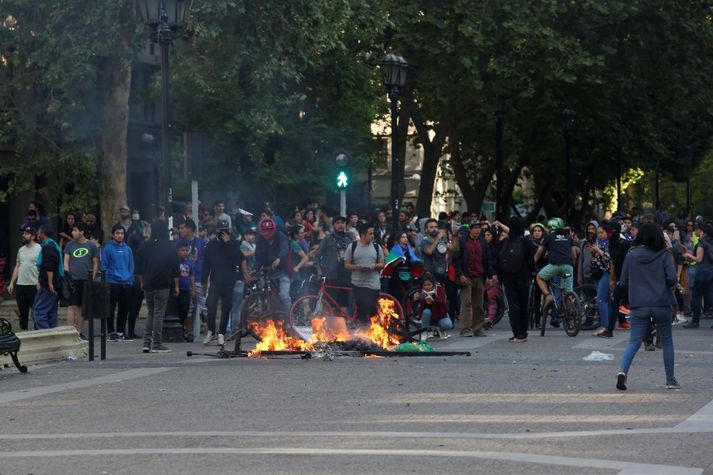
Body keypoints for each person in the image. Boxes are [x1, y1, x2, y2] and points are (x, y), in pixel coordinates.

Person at [617, 223, 679, 390]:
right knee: (666, 341)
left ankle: (622, 372)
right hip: (661, 302)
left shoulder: (631, 254)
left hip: (638, 304)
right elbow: (672, 278)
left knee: (634, 341)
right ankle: (671, 380)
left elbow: (623, 282)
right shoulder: (664, 254)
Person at [201, 220, 248, 345]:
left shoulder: (233, 244)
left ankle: (221, 333)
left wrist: (228, 244)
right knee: (210, 306)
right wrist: (204, 282)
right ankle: (211, 331)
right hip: (215, 281)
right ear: (217, 230)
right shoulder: (210, 245)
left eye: (226, 230)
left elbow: (239, 257)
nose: (224, 233)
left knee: (226, 308)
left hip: (229, 282)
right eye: (222, 231)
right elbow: (206, 265)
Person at [137, 220, 180, 353]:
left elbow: (139, 267)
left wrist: (142, 282)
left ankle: (146, 342)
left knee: (151, 312)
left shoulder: (144, 246)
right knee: (159, 314)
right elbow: (175, 268)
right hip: (163, 283)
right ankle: (157, 343)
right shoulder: (169, 246)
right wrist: (176, 285)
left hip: (148, 283)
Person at [495, 217, 534, 342]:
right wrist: (531, 272)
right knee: (523, 304)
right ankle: (523, 331)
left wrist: (500, 279)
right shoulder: (525, 242)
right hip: (523, 278)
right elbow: (531, 261)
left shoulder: (503, 243)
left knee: (512, 306)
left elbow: (498, 262)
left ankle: (517, 333)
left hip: (508, 279)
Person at [454, 220, 494, 337]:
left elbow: (487, 259)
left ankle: (477, 328)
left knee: (479, 304)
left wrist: (490, 276)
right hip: (466, 277)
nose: (477, 230)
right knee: (466, 302)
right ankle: (465, 329)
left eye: (479, 228)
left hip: (479, 276)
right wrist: (460, 274)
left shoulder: (482, 242)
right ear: (470, 229)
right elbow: (457, 260)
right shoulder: (462, 242)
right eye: (475, 228)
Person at [63, 222, 99, 338]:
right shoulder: (70, 245)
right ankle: (69, 332)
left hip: (85, 280)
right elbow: (66, 262)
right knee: (71, 305)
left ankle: (78, 332)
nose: (72, 232)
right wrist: (68, 277)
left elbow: (95, 264)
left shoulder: (91, 246)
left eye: (75, 230)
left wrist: (92, 279)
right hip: (72, 279)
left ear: (82, 232)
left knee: (81, 307)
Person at [344, 222, 384, 324]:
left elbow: (382, 264)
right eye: (370, 234)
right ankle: (363, 332)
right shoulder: (352, 247)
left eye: (373, 234)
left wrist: (375, 266)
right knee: (361, 308)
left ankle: (375, 327)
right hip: (357, 283)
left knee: (370, 305)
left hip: (373, 283)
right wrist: (356, 267)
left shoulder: (376, 247)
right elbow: (346, 265)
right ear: (362, 234)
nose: (372, 236)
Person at [101, 224, 134, 341]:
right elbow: (104, 265)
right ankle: (111, 331)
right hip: (112, 282)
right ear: (113, 235)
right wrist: (106, 281)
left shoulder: (128, 249)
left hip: (126, 282)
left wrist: (130, 279)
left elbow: (131, 266)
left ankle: (121, 331)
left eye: (122, 233)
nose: (120, 236)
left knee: (124, 308)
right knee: (110, 308)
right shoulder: (107, 248)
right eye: (118, 233)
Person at [534, 218, 577, 306]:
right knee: (568, 292)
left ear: (551, 227)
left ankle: (548, 296)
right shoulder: (568, 237)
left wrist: (531, 265)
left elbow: (538, 254)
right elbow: (574, 255)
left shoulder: (548, 237)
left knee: (539, 277)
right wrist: (571, 265)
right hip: (568, 266)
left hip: (555, 265)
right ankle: (570, 317)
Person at [254, 218, 292, 315]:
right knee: (272, 298)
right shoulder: (261, 241)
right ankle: (275, 318)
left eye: (269, 229)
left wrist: (279, 258)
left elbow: (285, 250)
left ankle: (291, 318)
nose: (267, 232)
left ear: (273, 229)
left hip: (283, 270)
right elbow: (258, 256)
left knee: (284, 295)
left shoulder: (280, 236)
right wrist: (255, 269)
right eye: (265, 230)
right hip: (270, 272)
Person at [7, 227, 42, 330]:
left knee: (36, 312)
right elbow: (17, 266)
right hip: (21, 285)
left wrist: (40, 282)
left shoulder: (39, 248)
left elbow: (42, 267)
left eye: (26, 234)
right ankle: (23, 334)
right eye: (24, 233)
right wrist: (12, 283)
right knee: (23, 313)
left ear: (33, 236)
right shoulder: (21, 250)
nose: (23, 235)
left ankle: (38, 335)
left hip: (34, 285)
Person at [316, 216, 351, 312]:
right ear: (334, 225)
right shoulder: (328, 239)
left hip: (345, 276)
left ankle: (343, 325)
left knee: (343, 304)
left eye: (342, 223)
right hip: (331, 276)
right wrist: (320, 271)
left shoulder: (348, 240)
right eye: (338, 223)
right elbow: (317, 256)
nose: (340, 225)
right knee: (329, 305)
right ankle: (328, 326)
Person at [683, 222, 713, 329]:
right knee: (710, 296)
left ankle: (695, 321)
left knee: (696, 297)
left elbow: (699, 259)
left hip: (702, 273)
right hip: (711, 272)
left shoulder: (702, 242)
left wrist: (689, 255)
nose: (695, 232)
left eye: (697, 230)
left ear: (701, 231)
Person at [33, 226, 62, 329]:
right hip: (53, 284)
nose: (37, 235)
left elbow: (50, 267)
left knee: (38, 311)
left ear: (43, 233)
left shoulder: (48, 247)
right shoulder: (53, 245)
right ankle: (53, 338)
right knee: (51, 313)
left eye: (38, 233)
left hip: (49, 285)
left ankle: (45, 336)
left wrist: (50, 283)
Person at [417, 273, 453, 338]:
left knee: (448, 325)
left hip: (440, 315)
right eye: (424, 285)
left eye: (429, 285)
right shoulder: (420, 292)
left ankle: (439, 329)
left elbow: (444, 304)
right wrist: (417, 299)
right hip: (427, 317)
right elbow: (419, 309)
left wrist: (433, 301)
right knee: (426, 311)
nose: (427, 287)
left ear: (433, 285)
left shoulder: (439, 289)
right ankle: (424, 332)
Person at [176, 240, 196, 342]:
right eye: (182, 250)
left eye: (186, 250)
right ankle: (180, 330)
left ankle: (187, 331)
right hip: (179, 289)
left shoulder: (189, 263)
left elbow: (192, 276)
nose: (184, 252)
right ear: (178, 251)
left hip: (187, 289)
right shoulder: (176, 262)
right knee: (181, 310)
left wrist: (192, 289)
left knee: (187, 310)